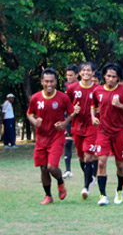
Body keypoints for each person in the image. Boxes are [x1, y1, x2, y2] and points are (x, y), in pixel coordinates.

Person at [26, 68, 79, 205]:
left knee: (51, 167)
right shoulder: (36, 98)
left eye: (52, 81)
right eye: (46, 81)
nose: (49, 84)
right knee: (43, 168)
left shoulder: (62, 97)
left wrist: (64, 123)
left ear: (56, 81)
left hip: (56, 137)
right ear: (42, 81)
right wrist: (34, 121)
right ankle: (48, 196)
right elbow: (29, 113)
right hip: (41, 138)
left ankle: (60, 182)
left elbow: (72, 112)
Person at [91, 63, 123, 206]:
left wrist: (120, 106)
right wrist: (93, 116)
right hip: (103, 132)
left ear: (118, 78)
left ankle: (119, 191)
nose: (111, 79)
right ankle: (102, 195)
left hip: (120, 132)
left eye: (114, 77)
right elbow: (93, 106)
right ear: (104, 76)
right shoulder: (98, 91)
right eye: (108, 76)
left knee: (120, 165)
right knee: (101, 162)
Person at [66, 62, 99, 199]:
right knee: (81, 157)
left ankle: (86, 187)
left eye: (89, 70)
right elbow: (66, 106)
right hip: (77, 126)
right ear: (79, 73)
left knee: (88, 155)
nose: (86, 72)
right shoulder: (72, 88)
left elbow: (103, 105)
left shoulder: (98, 89)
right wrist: (73, 110)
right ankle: (90, 177)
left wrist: (98, 111)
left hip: (92, 126)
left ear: (93, 73)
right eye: (83, 70)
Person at [62, 64, 79, 178]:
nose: (68, 77)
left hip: (81, 118)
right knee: (67, 142)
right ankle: (68, 170)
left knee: (82, 144)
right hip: (69, 118)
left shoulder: (82, 86)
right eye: (67, 75)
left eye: (71, 75)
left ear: (77, 75)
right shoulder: (66, 86)